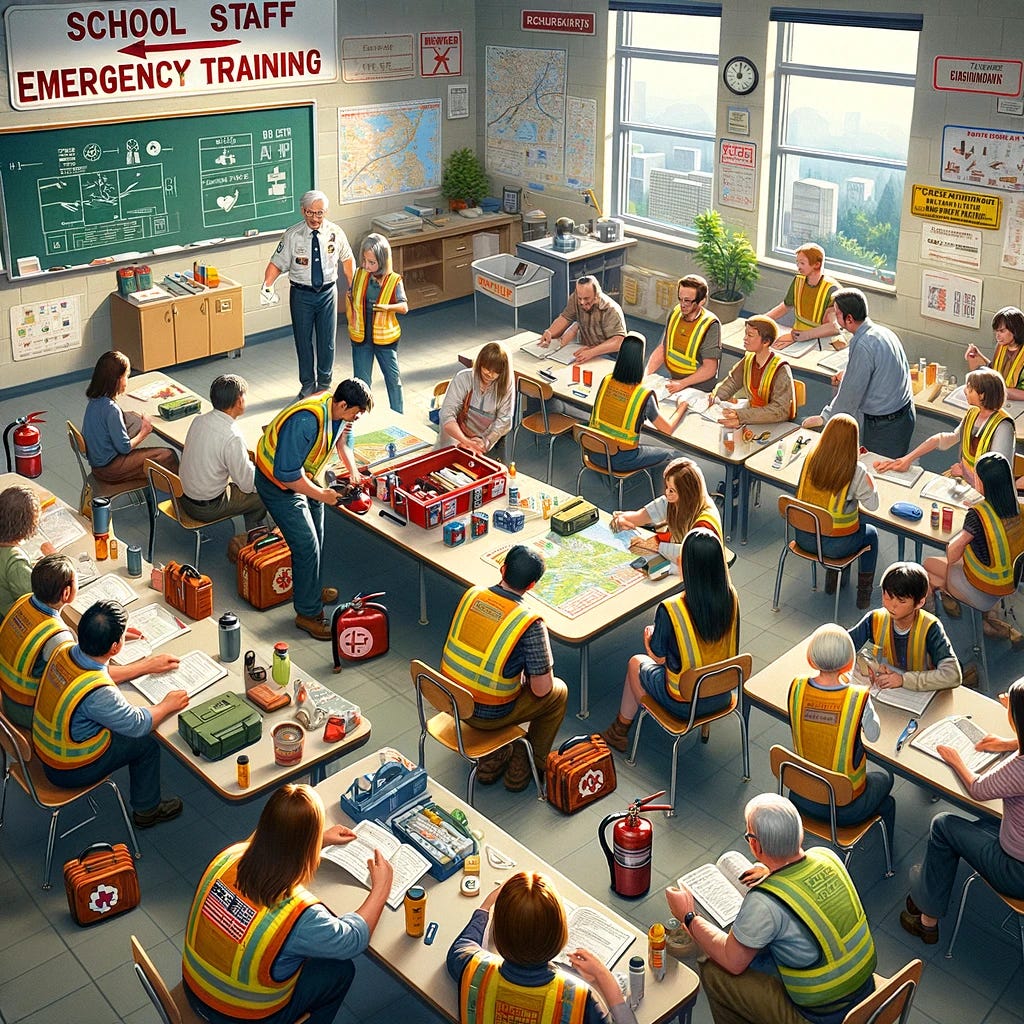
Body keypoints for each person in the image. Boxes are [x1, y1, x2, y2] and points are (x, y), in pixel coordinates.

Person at [183, 783, 393, 1024]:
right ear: (307, 845)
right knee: (340, 971)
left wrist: (318, 840)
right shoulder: (300, 914)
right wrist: (381, 886)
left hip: (195, 992)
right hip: (241, 1018)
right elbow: (352, 940)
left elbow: (272, 843)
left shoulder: (227, 857)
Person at [667, 793, 877, 1024]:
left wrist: (687, 916)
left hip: (823, 1016)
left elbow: (732, 961)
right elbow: (804, 884)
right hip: (867, 991)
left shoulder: (764, 903)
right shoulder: (827, 857)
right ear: (800, 832)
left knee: (714, 970)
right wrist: (771, 871)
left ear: (755, 844)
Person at [31, 599, 186, 828]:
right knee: (146, 744)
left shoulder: (64, 652)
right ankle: (148, 811)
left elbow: (97, 673)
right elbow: (138, 724)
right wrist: (167, 705)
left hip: (45, 749)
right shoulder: (100, 694)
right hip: (67, 769)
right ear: (114, 648)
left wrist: (145, 665)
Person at [901, 678, 1024, 946]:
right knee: (978, 824)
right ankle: (925, 886)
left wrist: (955, 759)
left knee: (943, 825)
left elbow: (978, 788)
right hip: (1017, 847)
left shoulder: (1020, 769)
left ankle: (927, 922)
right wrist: (1009, 739)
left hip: (1015, 871)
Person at [440, 543, 567, 792]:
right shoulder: (529, 622)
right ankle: (530, 762)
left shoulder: (472, 595)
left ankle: (496, 753)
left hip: (450, 700)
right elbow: (542, 690)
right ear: (532, 585)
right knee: (558, 693)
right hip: (488, 715)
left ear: (503, 569)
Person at [0, 553, 180, 727]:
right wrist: (146, 666)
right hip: (29, 709)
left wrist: (110, 633)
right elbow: (84, 673)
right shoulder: (58, 639)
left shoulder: (25, 600)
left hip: (9, 697)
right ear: (67, 593)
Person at [254, 379, 373, 641]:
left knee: (317, 538)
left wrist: (352, 470)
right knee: (306, 545)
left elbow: (344, 439)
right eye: (355, 412)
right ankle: (307, 613)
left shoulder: (339, 409)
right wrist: (321, 494)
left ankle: (311, 589)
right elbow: (286, 474)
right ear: (342, 404)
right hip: (279, 486)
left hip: (307, 477)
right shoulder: (306, 422)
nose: (356, 417)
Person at [602, 528, 738, 753]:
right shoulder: (731, 596)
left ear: (685, 565)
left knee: (636, 662)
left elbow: (657, 655)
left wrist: (648, 637)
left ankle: (619, 730)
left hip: (683, 701)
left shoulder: (672, 609)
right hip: (722, 692)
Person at [446, 870, 637, 1024]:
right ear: (560, 934)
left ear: (498, 933)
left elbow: (461, 946)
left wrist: (487, 906)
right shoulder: (580, 999)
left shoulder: (470, 966)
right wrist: (604, 977)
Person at [786, 624, 895, 842]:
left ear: (811, 658)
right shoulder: (858, 699)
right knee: (886, 779)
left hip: (799, 794)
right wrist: (867, 700)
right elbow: (873, 736)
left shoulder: (796, 688)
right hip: (843, 806)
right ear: (848, 663)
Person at [923, 452, 1024, 646]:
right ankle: (988, 622)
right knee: (950, 566)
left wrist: (961, 533)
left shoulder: (978, 516)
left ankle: (932, 634)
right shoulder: (1018, 506)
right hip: (1008, 582)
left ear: (983, 483)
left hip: (982, 586)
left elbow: (952, 555)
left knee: (927, 568)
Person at [261, 190, 355, 399]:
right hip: (301, 295)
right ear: (303, 211)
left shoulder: (335, 233)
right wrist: (267, 285)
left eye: (319, 213)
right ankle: (306, 384)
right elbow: (277, 263)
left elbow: (347, 259)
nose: (315, 218)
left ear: (325, 212)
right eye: (311, 213)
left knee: (327, 341)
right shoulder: (292, 235)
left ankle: (324, 385)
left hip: (327, 293)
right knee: (303, 341)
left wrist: (353, 286)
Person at [802, 289, 915, 459]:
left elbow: (850, 396)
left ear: (849, 319)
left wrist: (825, 418)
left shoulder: (863, 345)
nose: (835, 319)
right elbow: (876, 370)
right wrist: (850, 373)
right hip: (904, 415)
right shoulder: (883, 332)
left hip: (885, 426)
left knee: (876, 470)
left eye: (838, 314)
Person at [873, 367, 1014, 491]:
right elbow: (945, 440)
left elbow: (998, 479)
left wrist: (965, 474)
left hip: (985, 493)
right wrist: (908, 459)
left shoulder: (1003, 427)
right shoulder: (973, 413)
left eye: (970, 388)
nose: (965, 391)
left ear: (982, 394)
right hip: (964, 480)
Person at [794, 414, 879, 609]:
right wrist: (871, 480)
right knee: (870, 534)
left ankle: (832, 579)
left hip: (804, 539)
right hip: (834, 547)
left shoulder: (810, 460)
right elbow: (873, 505)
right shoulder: (856, 471)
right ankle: (863, 594)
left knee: (840, 528)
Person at [847, 561, 962, 693]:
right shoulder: (874, 619)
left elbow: (953, 675)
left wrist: (903, 680)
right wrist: (868, 664)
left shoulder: (930, 627)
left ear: (920, 602)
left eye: (901, 601)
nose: (892, 605)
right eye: (888, 597)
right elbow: (845, 646)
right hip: (884, 689)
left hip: (922, 694)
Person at [587, 332, 687, 474]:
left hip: (594, 451)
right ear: (640, 359)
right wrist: (682, 407)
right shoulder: (642, 395)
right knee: (677, 455)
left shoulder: (606, 380)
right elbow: (667, 429)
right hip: (621, 459)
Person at [178, 374, 268, 533]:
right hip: (207, 508)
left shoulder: (199, 420)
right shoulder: (232, 437)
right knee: (263, 495)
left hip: (183, 498)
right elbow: (247, 484)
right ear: (239, 401)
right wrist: (269, 478)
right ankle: (256, 537)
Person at [82, 350, 178, 483]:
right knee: (168, 455)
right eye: (126, 376)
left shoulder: (95, 401)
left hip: (97, 463)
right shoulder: (111, 409)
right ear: (117, 380)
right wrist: (144, 432)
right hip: (109, 469)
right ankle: (180, 497)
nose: (127, 380)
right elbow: (124, 448)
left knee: (133, 422)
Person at [609, 457, 722, 568]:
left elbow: (691, 555)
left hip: (699, 572)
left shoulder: (705, 524)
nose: (667, 493)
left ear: (687, 492)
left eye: (672, 490)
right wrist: (624, 519)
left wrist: (655, 546)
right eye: (667, 487)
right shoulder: (674, 501)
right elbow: (642, 515)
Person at [347, 232, 409, 413]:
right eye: (364, 261)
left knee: (392, 378)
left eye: (371, 262)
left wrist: (387, 308)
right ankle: (363, 414)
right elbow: (352, 297)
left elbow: (404, 307)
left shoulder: (394, 280)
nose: (366, 266)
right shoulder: (359, 274)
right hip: (361, 337)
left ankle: (398, 413)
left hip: (384, 340)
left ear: (383, 261)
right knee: (361, 381)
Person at [711, 315, 796, 428]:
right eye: (746, 334)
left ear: (766, 342)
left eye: (750, 335)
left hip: (773, 423)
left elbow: (779, 410)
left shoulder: (780, 368)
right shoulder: (749, 359)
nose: (745, 338)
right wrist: (717, 398)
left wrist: (741, 416)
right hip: (751, 414)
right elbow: (733, 382)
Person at [644, 275, 721, 393]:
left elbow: (710, 368)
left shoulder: (710, 325)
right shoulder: (675, 313)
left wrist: (682, 384)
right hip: (675, 381)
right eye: (680, 299)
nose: (682, 304)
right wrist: (646, 375)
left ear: (701, 301)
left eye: (688, 301)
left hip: (698, 387)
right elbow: (663, 348)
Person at [436, 342, 514, 455]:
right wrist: (465, 441)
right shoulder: (463, 378)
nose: (490, 375)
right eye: (487, 368)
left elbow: (504, 420)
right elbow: (446, 415)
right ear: (480, 363)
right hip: (454, 439)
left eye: (496, 372)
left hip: (482, 445)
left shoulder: (505, 386)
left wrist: (485, 441)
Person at [537, 275, 626, 365]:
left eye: (586, 299)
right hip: (586, 349)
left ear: (596, 296)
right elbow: (565, 317)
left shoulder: (611, 309)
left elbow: (619, 341)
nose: (582, 302)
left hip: (609, 355)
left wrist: (592, 352)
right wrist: (550, 332)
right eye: (580, 298)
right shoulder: (576, 298)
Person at [765, 244, 841, 348]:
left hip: (820, 342)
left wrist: (807, 335)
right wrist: (763, 319)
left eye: (802, 263)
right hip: (796, 336)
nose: (798, 266)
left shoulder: (831, 289)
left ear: (817, 264)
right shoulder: (798, 281)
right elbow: (786, 306)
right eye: (797, 263)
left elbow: (833, 327)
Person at [0, 485, 54, 618]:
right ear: (29, 528)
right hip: (9, 621)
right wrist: (54, 561)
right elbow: (37, 600)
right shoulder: (15, 560)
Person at [965, 306, 1024, 401]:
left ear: (1015, 330)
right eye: (996, 331)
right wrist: (977, 357)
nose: (997, 336)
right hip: (1001, 400)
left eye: (1002, 331)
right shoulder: (1001, 346)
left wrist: (995, 390)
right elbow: (994, 372)